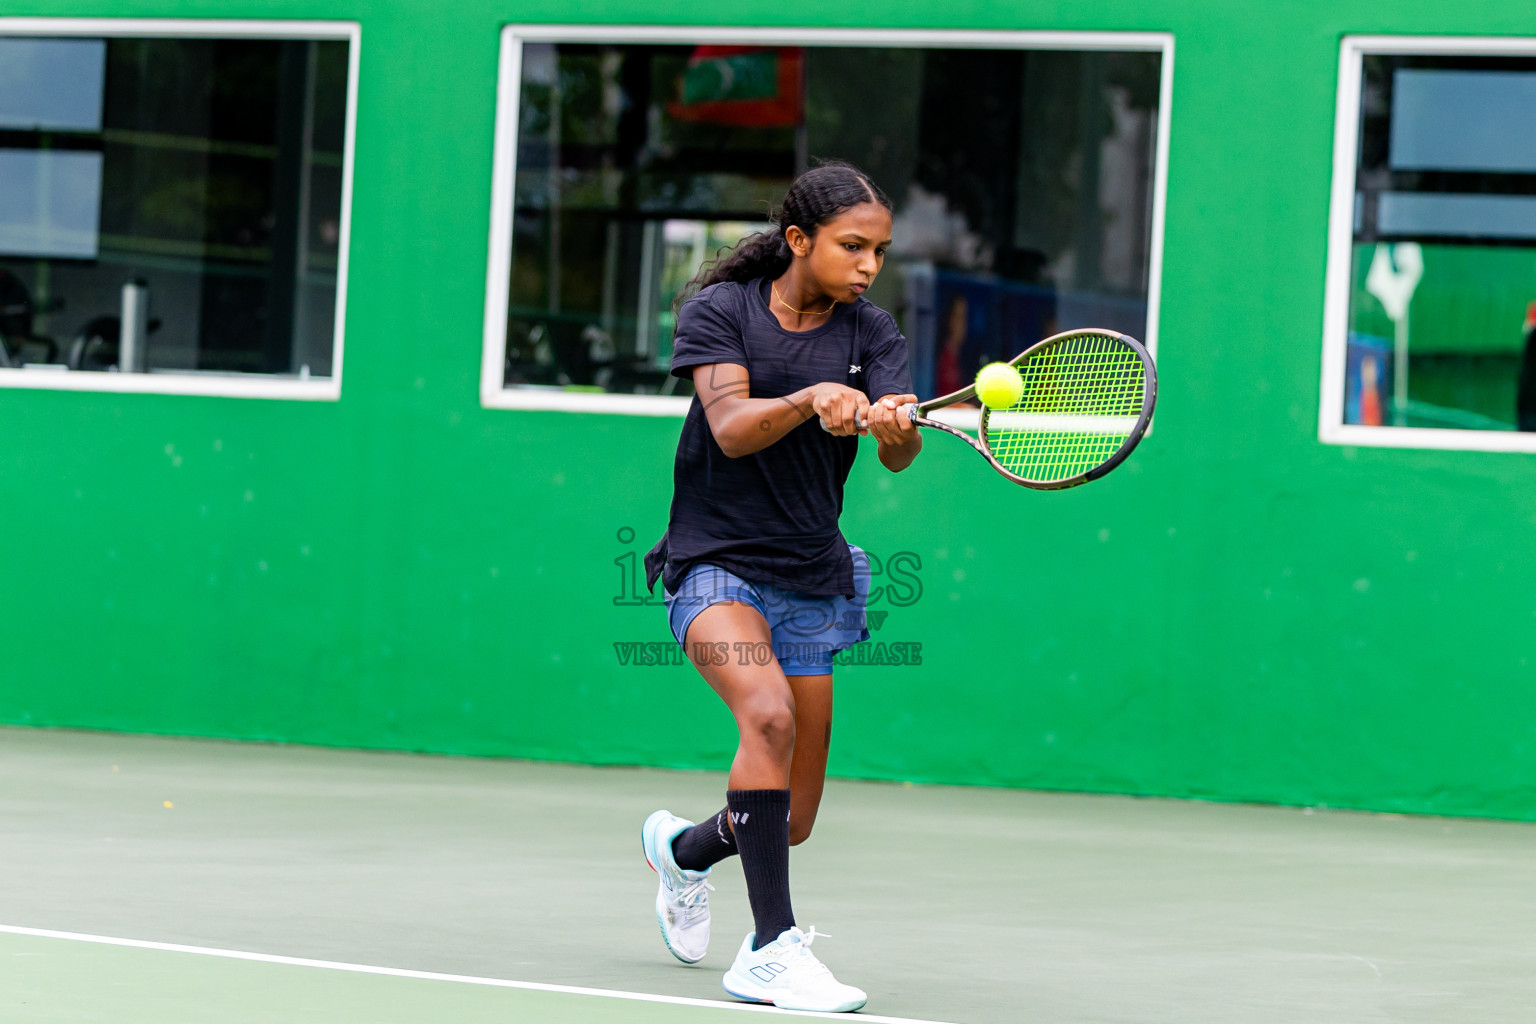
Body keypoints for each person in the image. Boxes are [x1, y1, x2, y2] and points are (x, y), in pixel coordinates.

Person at [639, 162, 921, 1013]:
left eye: (879, 250)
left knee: (787, 822)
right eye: (852, 246)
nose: (869, 265)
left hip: (813, 575)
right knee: (766, 716)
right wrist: (808, 398)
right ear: (799, 240)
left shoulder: (872, 332)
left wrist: (894, 426)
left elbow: (900, 454)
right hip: (713, 561)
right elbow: (728, 430)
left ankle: (685, 853)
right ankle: (769, 951)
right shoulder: (721, 311)